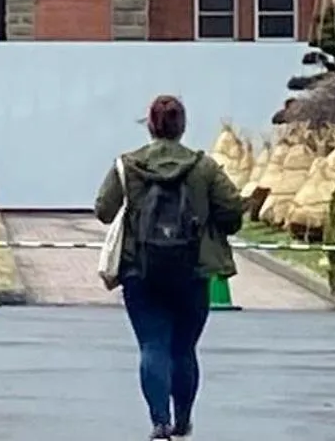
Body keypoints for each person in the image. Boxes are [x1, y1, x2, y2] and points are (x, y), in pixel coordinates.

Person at [95, 94, 244, 441]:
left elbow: (103, 210)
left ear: (150, 125)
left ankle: (159, 421)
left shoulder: (127, 165)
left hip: (139, 270)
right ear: (183, 127)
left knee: (152, 345)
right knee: (184, 348)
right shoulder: (204, 167)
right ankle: (184, 420)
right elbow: (233, 213)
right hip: (192, 270)